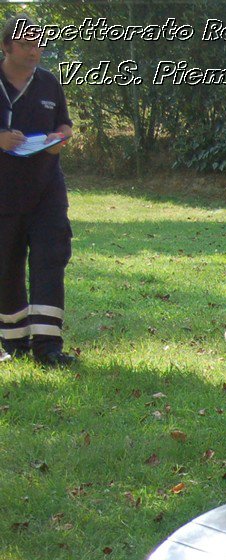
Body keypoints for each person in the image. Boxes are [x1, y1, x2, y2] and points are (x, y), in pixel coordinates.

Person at [0, 15, 75, 368]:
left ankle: (49, 347)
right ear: (6, 47)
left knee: (50, 260)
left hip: (46, 188)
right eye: (27, 45)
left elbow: (64, 122)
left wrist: (60, 137)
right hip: (4, 194)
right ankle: (14, 342)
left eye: (38, 44)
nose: (34, 51)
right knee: (6, 265)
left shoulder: (49, 83)